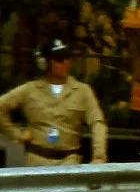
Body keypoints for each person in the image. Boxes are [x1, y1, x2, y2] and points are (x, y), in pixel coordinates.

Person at [0, 38, 108, 167]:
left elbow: (97, 123)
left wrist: (99, 156)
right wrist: (17, 134)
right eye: (59, 59)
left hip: (69, 161)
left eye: (67, 58)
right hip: (37, 160)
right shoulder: (30, 90)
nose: (65, 63)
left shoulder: (82, 91)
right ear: (45, 63)